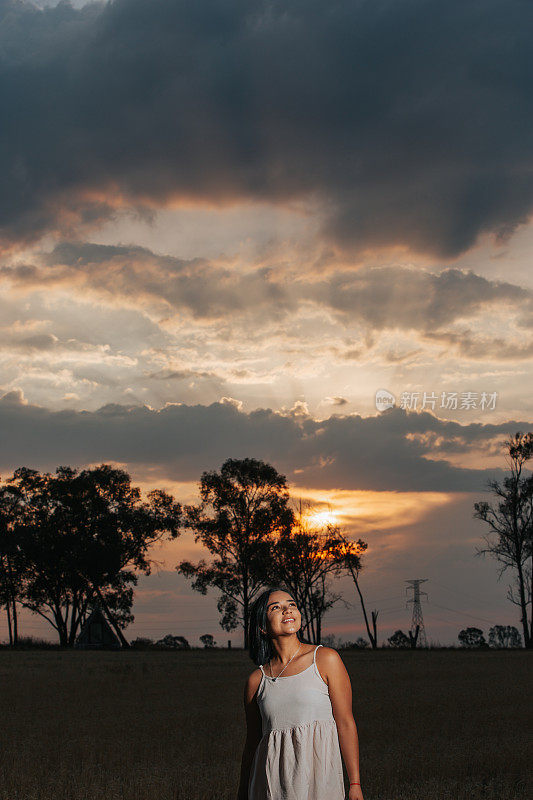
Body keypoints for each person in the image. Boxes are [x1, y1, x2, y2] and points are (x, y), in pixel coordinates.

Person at [237, 585, 364, 800]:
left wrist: (355, 783)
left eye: (292, 605)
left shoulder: (326, 659)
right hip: (270, 786)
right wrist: (242, 793)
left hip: (320, 781)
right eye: (275, 607)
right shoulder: (256, 681)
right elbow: (252, 743)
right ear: (262, 627)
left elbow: (345, 722)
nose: (287, 610)